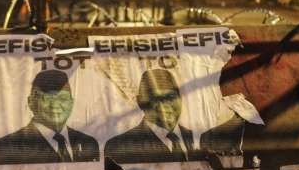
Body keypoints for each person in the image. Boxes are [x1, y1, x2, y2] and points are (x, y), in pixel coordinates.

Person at [104, 69, 245, 164]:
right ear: (142, 103)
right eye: (157, 99)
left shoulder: (201, 140)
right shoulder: (120, 146)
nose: (166, 104)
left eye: (172, 96)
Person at [0, 70, 99, 165]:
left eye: (62, 98)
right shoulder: (6, 147)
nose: (55, 105)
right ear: (31, 102)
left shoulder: (88, 143)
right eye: (46, 98)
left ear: (71, 103)